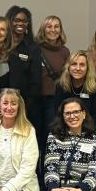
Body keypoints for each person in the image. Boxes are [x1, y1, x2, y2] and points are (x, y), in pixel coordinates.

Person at [0, 16, 41, 119]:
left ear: (7, 34)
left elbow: (19, 89)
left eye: (2, 29)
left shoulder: (14, 58)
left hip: (9, 112)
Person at [35, 15, 70, 145]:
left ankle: (48, 164)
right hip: (36, 99)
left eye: (56, 26)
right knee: (35, 135)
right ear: (43, 29)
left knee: (50, 136)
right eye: (49, 26)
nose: (53, 30)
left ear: (60, 30)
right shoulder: (35, 49)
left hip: (54, 100)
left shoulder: (65, 52)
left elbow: (67, 78)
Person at [54, 51, 96, 126]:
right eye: (74, 64)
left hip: (91, 128)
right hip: (66, 127)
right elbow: (58, 114)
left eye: (82, 65)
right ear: (68, 67)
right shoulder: (61, 85)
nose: (78, 68)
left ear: (88, 68)